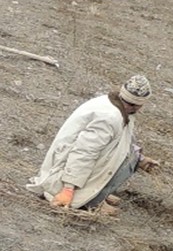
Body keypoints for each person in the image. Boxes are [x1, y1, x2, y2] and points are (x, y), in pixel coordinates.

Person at [26, 75, 160, 214]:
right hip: (64, 168)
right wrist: (68, 189)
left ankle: (99, 193)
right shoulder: (109, 117)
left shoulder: (116, 105)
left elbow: (122, 140)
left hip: (71, 159)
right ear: (139, 105)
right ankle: (90, 199)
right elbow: (84, 152)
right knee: (126, 162)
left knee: (133, 156)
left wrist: (141, 159)